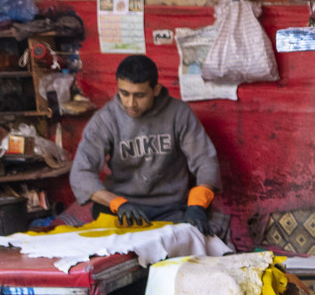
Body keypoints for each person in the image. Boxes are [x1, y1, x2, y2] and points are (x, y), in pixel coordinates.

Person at [69, 54, 220, 232]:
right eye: (124, 93)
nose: (130, 103)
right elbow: (80, 174)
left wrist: (196, 205)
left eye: (139, 95)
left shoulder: (179, 113)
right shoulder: (105, 119)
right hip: (122, 209)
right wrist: (117, 203)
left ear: (155, 89)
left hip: (169, 209)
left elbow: (205, 160)